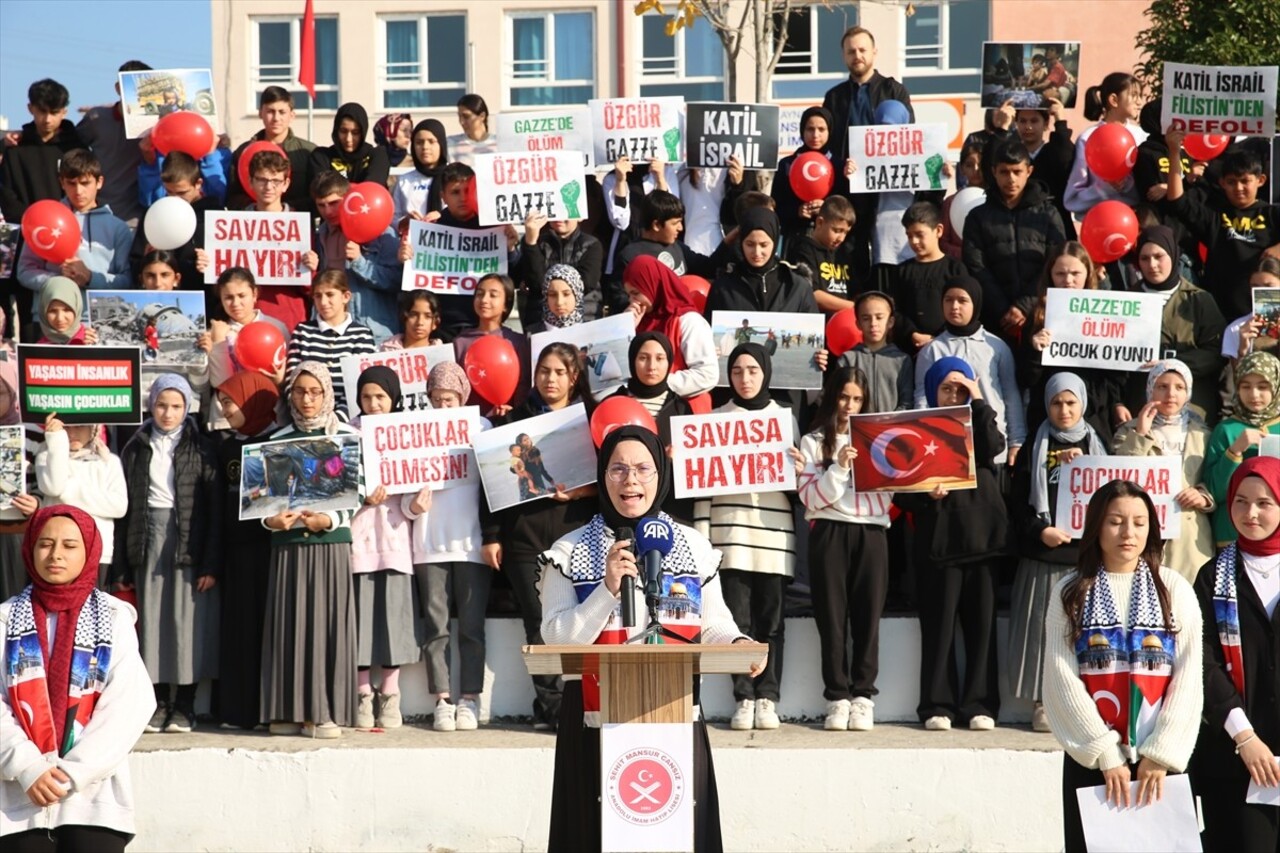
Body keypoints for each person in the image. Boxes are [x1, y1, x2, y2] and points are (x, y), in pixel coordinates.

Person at [539, 424, 757, 852]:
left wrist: (736, 645)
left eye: (643, 468)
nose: (631, 480)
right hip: (593, 720)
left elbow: (714, 624)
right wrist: (605, 590)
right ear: (602, 476)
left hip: (671, 711)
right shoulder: (567, 551)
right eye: (618, 469)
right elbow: (556, 638)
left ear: (661, 475)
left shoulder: (691, 545)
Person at [1042, 480, 1202, 853]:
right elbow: (1061, 676)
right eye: (1115, 521)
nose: (1128, 533)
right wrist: (1104, 752)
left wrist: (1160, 752)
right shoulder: (1070, 591)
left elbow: (1189, 674)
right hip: (1093, 761)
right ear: (1096, 524)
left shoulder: (1173, 588)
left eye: (1139, 522)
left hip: (1161, 764)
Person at [0, 506, 155, 852]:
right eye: (45, 544)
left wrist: (72, 774)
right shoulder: (6, 619)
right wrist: (27, 766)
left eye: (70, 545)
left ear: (89, 552)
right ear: (29, 549)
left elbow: (130, 703)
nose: (56, 554)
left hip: (92, 798)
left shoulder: (115, 619)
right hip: (16, 800)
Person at [481, 343, 596, 730]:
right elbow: (492, 486)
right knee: (539, 623)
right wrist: (492, 535)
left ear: (573, 377)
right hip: (524, 540)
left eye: (559, 372)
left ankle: (584, 704)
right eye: (544, 371)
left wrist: (580, 492)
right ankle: (552, 708)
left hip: (577, 535)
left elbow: (611, 479)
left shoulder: (591, 422)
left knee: (581, 620)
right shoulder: (512, 424)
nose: (550, 379)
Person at [897, 357, 1006, 731]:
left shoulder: (981, 422)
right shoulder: (916, 430)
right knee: (939, 631)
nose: (954, 394)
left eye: (960, 387)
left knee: (982, 630)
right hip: (938, 548)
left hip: (982, 543)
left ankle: (981, 705)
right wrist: (927, 495)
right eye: (947, 388)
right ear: (932, 391)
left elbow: (995, 447)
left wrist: (977, 398)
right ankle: (937, 705)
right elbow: (901, 493)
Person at [694, 343, 795, 731]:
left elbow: (800, 488)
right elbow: (700, 490)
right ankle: (743, 696)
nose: (745, 378)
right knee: (735, 624)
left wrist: (796, 471)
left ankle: (768, 696)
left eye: (753, 370)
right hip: (728, 541)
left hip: (774, 540)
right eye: (737, 371)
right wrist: (705, 545)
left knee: (771, 624)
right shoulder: (714, 419)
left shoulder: (784, 419)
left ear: (766, 372)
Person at [115, 375, 221, 735]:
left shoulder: (201, 447)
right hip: (148, 536)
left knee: (187, 621)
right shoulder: (136, 446)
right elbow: (125, 509)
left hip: (188, 537)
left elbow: (213, 510)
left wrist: (210, 562)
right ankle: (157, 703)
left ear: (187, 408)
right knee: (153, 619)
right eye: (162, 404)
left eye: (176, 406)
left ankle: (185, 706)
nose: (168, 413)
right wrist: (123, 565)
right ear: (151, 404)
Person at [259, 362, 359, 738]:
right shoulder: (278, 438)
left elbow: (358, 493)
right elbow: (261, 498)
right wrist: (269, 522)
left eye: (315, 391)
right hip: (287, 546)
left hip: (328, 545)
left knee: (326, 625)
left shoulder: (346, 436)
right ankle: (287, 709)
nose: (307, 399)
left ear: (327, 393)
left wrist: (329, 521)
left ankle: (325, 711)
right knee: (289, 625)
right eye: (300, 391)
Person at [794, 365, 893, 731]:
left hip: (872, 532)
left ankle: (863, 696)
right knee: (831, 619)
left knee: (868, 618)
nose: (850, 405)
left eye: (857, 399)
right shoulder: (812, 441)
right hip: (829, 534)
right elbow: (812, 498)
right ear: (832, 395)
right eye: (844, 396)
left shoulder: (882, 439)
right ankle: (836, 697)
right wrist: (837, 468)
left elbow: (890, 491)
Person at [1190, 456, 1280, 852]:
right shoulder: (1212, 576)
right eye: (1240, 501)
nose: (1251, 512)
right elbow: (1203, 662)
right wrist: (1246, 738)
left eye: (1264, 502)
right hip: (1236, 757)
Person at [1008, 372, 1106, 732]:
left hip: (1088, 558)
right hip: (1044, 555)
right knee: (1041, 632)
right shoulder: (1037, 444)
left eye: (1070, 402)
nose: (1064, 410)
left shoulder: (1098, 443)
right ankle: (1042, 700)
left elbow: (1113, 497)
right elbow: (1018, 503)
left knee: (1087, 633)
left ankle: (1086, 699)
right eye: (1056, 403)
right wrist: (1040, 530)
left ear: (1082, 403)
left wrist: (1085, 468)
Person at [402, 362, 492, 733]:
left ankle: (470, 697)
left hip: (472, 544)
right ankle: (441, 698)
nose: (443, 405)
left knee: (472, 626)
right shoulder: (414, 434)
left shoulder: (482, 430)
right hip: (429, 544)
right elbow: (402, 490)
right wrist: (413, 506)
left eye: (450, 398)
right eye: (437, 399)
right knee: (436, 627)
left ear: (463, 398)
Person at [349, 366, 423, 730]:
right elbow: (338, 488)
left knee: (394, 621)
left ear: (394, 399)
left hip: (394, 542)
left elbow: (410, 501)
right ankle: (363, 693)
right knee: (360, 623)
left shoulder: (405, 435)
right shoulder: (347, 434)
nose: (374, 404)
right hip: (359, 543)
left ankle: (390, 694)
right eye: (366, 397)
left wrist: (415, 505)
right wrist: (362, 497)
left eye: (380, 397)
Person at [209, 370, 279, 731]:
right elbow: (218, 508)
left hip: (275, 552)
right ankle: (238, 710)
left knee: (272, 630)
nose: (225, 408)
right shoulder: (224, 446)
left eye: (230, 401)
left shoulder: (280, 441)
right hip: (238, 555)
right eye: (221, 402)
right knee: (239, 632)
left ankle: (272, 710)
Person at [822, 26, 914, 279]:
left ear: (874, 51)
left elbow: (910, 139)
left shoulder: (894, 91)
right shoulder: (834, 97)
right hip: (849, 189)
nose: (857, 55)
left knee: (889, 255)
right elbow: (827, 146)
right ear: (844, 56)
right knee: (853, 258)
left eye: (862, 50)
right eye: (851, 51)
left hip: (887, 190)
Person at [1113, 361, 1215, 584]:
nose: (1171, 394)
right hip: (1144, 532)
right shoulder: (1128, 430)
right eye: (1162, 386)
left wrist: (1203, 496)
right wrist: (1140, 433)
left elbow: (1215, 479)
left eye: (1179, 387)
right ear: (1150, 388)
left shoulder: (1204, 433)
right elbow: (1121, 479)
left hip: (1188, 538)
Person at [0, 78, 84, 338]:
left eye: (54, 112)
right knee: (26, 310)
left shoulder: (75, 148)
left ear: (65, 112)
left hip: (67, 239)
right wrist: (32, 223)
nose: (47, 119)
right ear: (30, 109)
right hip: (24, 240)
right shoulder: (16, 150)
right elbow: (6, 193)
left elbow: (81, 190)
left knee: (68, 307)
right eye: (41, 111)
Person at [1166, 133, 1280, 321]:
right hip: (1219, 313)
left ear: (1260, 180)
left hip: (1265, 314)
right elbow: (1176, 199)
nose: (1239, 187)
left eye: (1245, 181)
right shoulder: (1215, 216)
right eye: (1231, 182)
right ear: (1222, 183)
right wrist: (1174, 152)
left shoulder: (1272, 214)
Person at [1019, 243, 1125, 445]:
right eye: (1060, 273)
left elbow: (1115, 374)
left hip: (1094, 417)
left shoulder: (1106, 313)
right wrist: (1034, 351)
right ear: (1050, 275)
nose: (1068, 280)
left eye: (1075, 273)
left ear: (1088, 274)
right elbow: (1026, 379)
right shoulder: (1038, 316)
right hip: (1049, 420)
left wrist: (1113, 402)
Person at [914, 276, 1024, 466]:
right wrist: (924, 439)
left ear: (976, 302)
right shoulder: (931, 350)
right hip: (947, 448)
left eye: (962, 300)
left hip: (993, 446)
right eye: (948, 300)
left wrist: (1016, 441)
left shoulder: (996, 346)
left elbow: (1010, 396)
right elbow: (922, 398)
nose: (954, 306)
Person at [961, 139, 1067, 336]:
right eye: (1004, 172)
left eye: (1017, 172)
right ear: (994, 172)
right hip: (993, 319)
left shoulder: (1048, 214)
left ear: (1029, 171)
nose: (1011, 179)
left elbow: (1055, 263)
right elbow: (976, 266)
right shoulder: (977, 217)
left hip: (1039, 316)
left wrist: (1024, 306)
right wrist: (1002, 309)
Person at [1120, 225, 1225, 421]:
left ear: (1173, 255)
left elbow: (1217, 350)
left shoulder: (1199, 300)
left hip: (1191, 407)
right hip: (1140, 406)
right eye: (1144, 258)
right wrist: (1117, 402)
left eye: (1159, 256)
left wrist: (1174, 364)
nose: (1152, 264)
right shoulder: (1125, 301)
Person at [200, 149, 310, 331]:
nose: (268, 187)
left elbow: (313, 288)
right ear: (250, 182)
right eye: (262, 180)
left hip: (289, 321)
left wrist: (311, 270)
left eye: (275, 181)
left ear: (286, 184)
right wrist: (209, 265)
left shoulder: (300, 226)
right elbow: (224, 283)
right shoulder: (232, 226)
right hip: (241, 322)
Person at [17, 149, 134, 307]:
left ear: (99, 182)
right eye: (71, 183)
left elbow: (126, 281)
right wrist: (58, 282)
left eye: (85, 183)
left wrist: (90, 278)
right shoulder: (45, 219)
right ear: (62, 183)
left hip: (95, 318)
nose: (78, 191)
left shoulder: (118, 228)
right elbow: (25, 271)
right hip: (53, 315)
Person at [34, 414, 127, 589]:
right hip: (56, 554)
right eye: (66, 427)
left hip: (98, 552)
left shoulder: (109, 461)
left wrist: (71, 491)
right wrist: (56, 440)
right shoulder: (46, 456)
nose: (72, 433)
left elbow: (119, 506)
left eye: (80, 426)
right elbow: (54, 487)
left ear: (93, 428)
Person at [307, 170, 400, 343]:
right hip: (333, 330)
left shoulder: (381, 231)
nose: (328, 211)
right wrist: (312, 270)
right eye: (321, 205)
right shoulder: (321, 235)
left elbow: (397, 280)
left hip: (375, 332)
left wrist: (359, 262)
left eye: (334, 203)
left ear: (347, 198)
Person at [623, 255, 718, 411]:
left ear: (653, 286)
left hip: (683, 413)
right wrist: (626, 330)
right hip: (643, 412)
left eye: (636, 293)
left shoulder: (688, 321)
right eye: (629, 295)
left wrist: (658, 385)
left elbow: (707, 374)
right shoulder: (637, 320)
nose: (632, 301)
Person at [198, 267, 289, 429]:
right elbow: (219, 383)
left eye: (242, 296)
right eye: (228, 297)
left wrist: (279, 381)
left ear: (254, 294)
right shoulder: (215, 332)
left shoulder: (276, 327)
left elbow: (289, 377)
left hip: (272, 419)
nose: (235, 303)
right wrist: (219, 345)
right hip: (227, 423)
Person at [1205, 352, 1280, 546]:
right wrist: (1234, 451)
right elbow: (1214, 491)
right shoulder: (1226, 430)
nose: (1254, 394)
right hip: (1231, 535)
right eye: (1245, 386)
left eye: (1262, 387)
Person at [284, 270, 377, 419]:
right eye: (318, 296)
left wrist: (338, 419)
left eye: (330, 295)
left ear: (345, 297)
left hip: (347, 421)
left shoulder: (362, 334)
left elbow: (360, 385)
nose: (323, 302)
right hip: (305, 419)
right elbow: (291, 380)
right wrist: (306, 415)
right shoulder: (303, 332)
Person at [75, 60, 151, 225]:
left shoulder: (156, 125)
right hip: (96, 214)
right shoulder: (97, 119)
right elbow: (69, 146)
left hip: (136, 218)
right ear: (118, 88)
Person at [1063, 72, 1147, 217]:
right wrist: (1106, 187)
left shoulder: (1142, 136)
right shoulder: (1088, 138)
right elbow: (1073, 197)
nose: (1139, 102)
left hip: (1137, 222)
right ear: (1114, 100)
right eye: (1134, 95)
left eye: (1140, 96)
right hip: (1099, 222)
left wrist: (1128, 184)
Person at [225, 86, 317, 213]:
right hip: (253, 224)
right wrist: (258, 206)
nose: (276, 118)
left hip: (296, 225)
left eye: (282, 112)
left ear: (292, 115)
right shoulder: (244, 152)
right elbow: (233, 196)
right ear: (260, 113)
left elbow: (317, 196)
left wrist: (284, 209)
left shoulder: (308, 152)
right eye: (270, 111)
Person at [894, 201, 968, 352]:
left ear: (938, 230)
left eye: (920, 235)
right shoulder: (902, 271)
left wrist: (939, 336)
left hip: (949, 345)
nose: (914, 241)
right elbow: (896, 310)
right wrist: (912, 333)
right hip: (909, 349)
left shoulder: (955, 269)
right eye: (909, 236)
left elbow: (963, 307)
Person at [452, 274, 531, 415]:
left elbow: (523, 385)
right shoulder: (460, 342)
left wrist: (515, 413)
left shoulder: (517, 341)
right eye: (480, 294)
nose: (484, 300)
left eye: (493, 295)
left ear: (506, 305)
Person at [514, 214, 604, 322]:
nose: (559, 218)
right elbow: (536, 284)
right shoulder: (536, 242)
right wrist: (531, 244)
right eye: (554, 212)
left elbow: (586, 283)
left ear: (580, 216)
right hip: (542, 321)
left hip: (584, 318)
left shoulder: (592, 245)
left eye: (565, 212)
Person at [771, 107, 840, 248]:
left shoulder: (840, 166)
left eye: (821, 129)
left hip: (832, 243)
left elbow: (850, 209)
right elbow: (775, 207)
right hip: (796, 239)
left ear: (829, 131)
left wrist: (827, 207)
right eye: (810, 129)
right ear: (802, 130)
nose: (815, 135)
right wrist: (796, 211)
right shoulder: (787, 165)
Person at [841, 290, 911, 413]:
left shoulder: (901, 360)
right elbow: (839, 398)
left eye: (879, 318)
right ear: (858, 324)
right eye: (866, 318)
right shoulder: (847, 359)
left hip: (892, 429)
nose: (873, 324)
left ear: (890, 322)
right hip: (857, 428)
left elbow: (907, 401)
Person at [786, 194, 856, 315]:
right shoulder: (804, 249)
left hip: (844, 322)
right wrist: (855, 307)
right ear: (819, 222)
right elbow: (813, 294)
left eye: (845, 232)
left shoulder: (843, 252)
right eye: (837, 230)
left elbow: (855, 289)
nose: (841, 238)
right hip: (818, 323)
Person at [309, 103, 390, 188]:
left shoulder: (377, 155)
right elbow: (324, 190)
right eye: (343, 131)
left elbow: (372, 187)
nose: (348, 139)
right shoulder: (322, 157)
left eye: (355, 133)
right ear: (336, 130)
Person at [391, 119, 447, 225]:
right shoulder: (404, 181)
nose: (425, 147)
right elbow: (393, 218)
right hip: (411, 239)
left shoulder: (453, 177)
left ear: (441, 144)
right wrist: (404, 222)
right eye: (419, 142)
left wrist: (444, 216)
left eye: (431, 141)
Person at [523, 263, 584, 336]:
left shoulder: (592, 331)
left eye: (566, 294)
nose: (559, 302)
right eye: (552, 295)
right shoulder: (532, 334)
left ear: (577, 296)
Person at [35, 277, 98, 345]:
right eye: (52, 311)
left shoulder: (92, 339)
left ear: (77, 308)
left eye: (67, 310)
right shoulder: (40, 348)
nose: (60, 318)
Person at [446, 94, 497, 167]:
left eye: (466, 116)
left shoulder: (499, 143)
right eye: (459, 116)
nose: (461, 122)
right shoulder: (450, 143)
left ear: (482, 116)